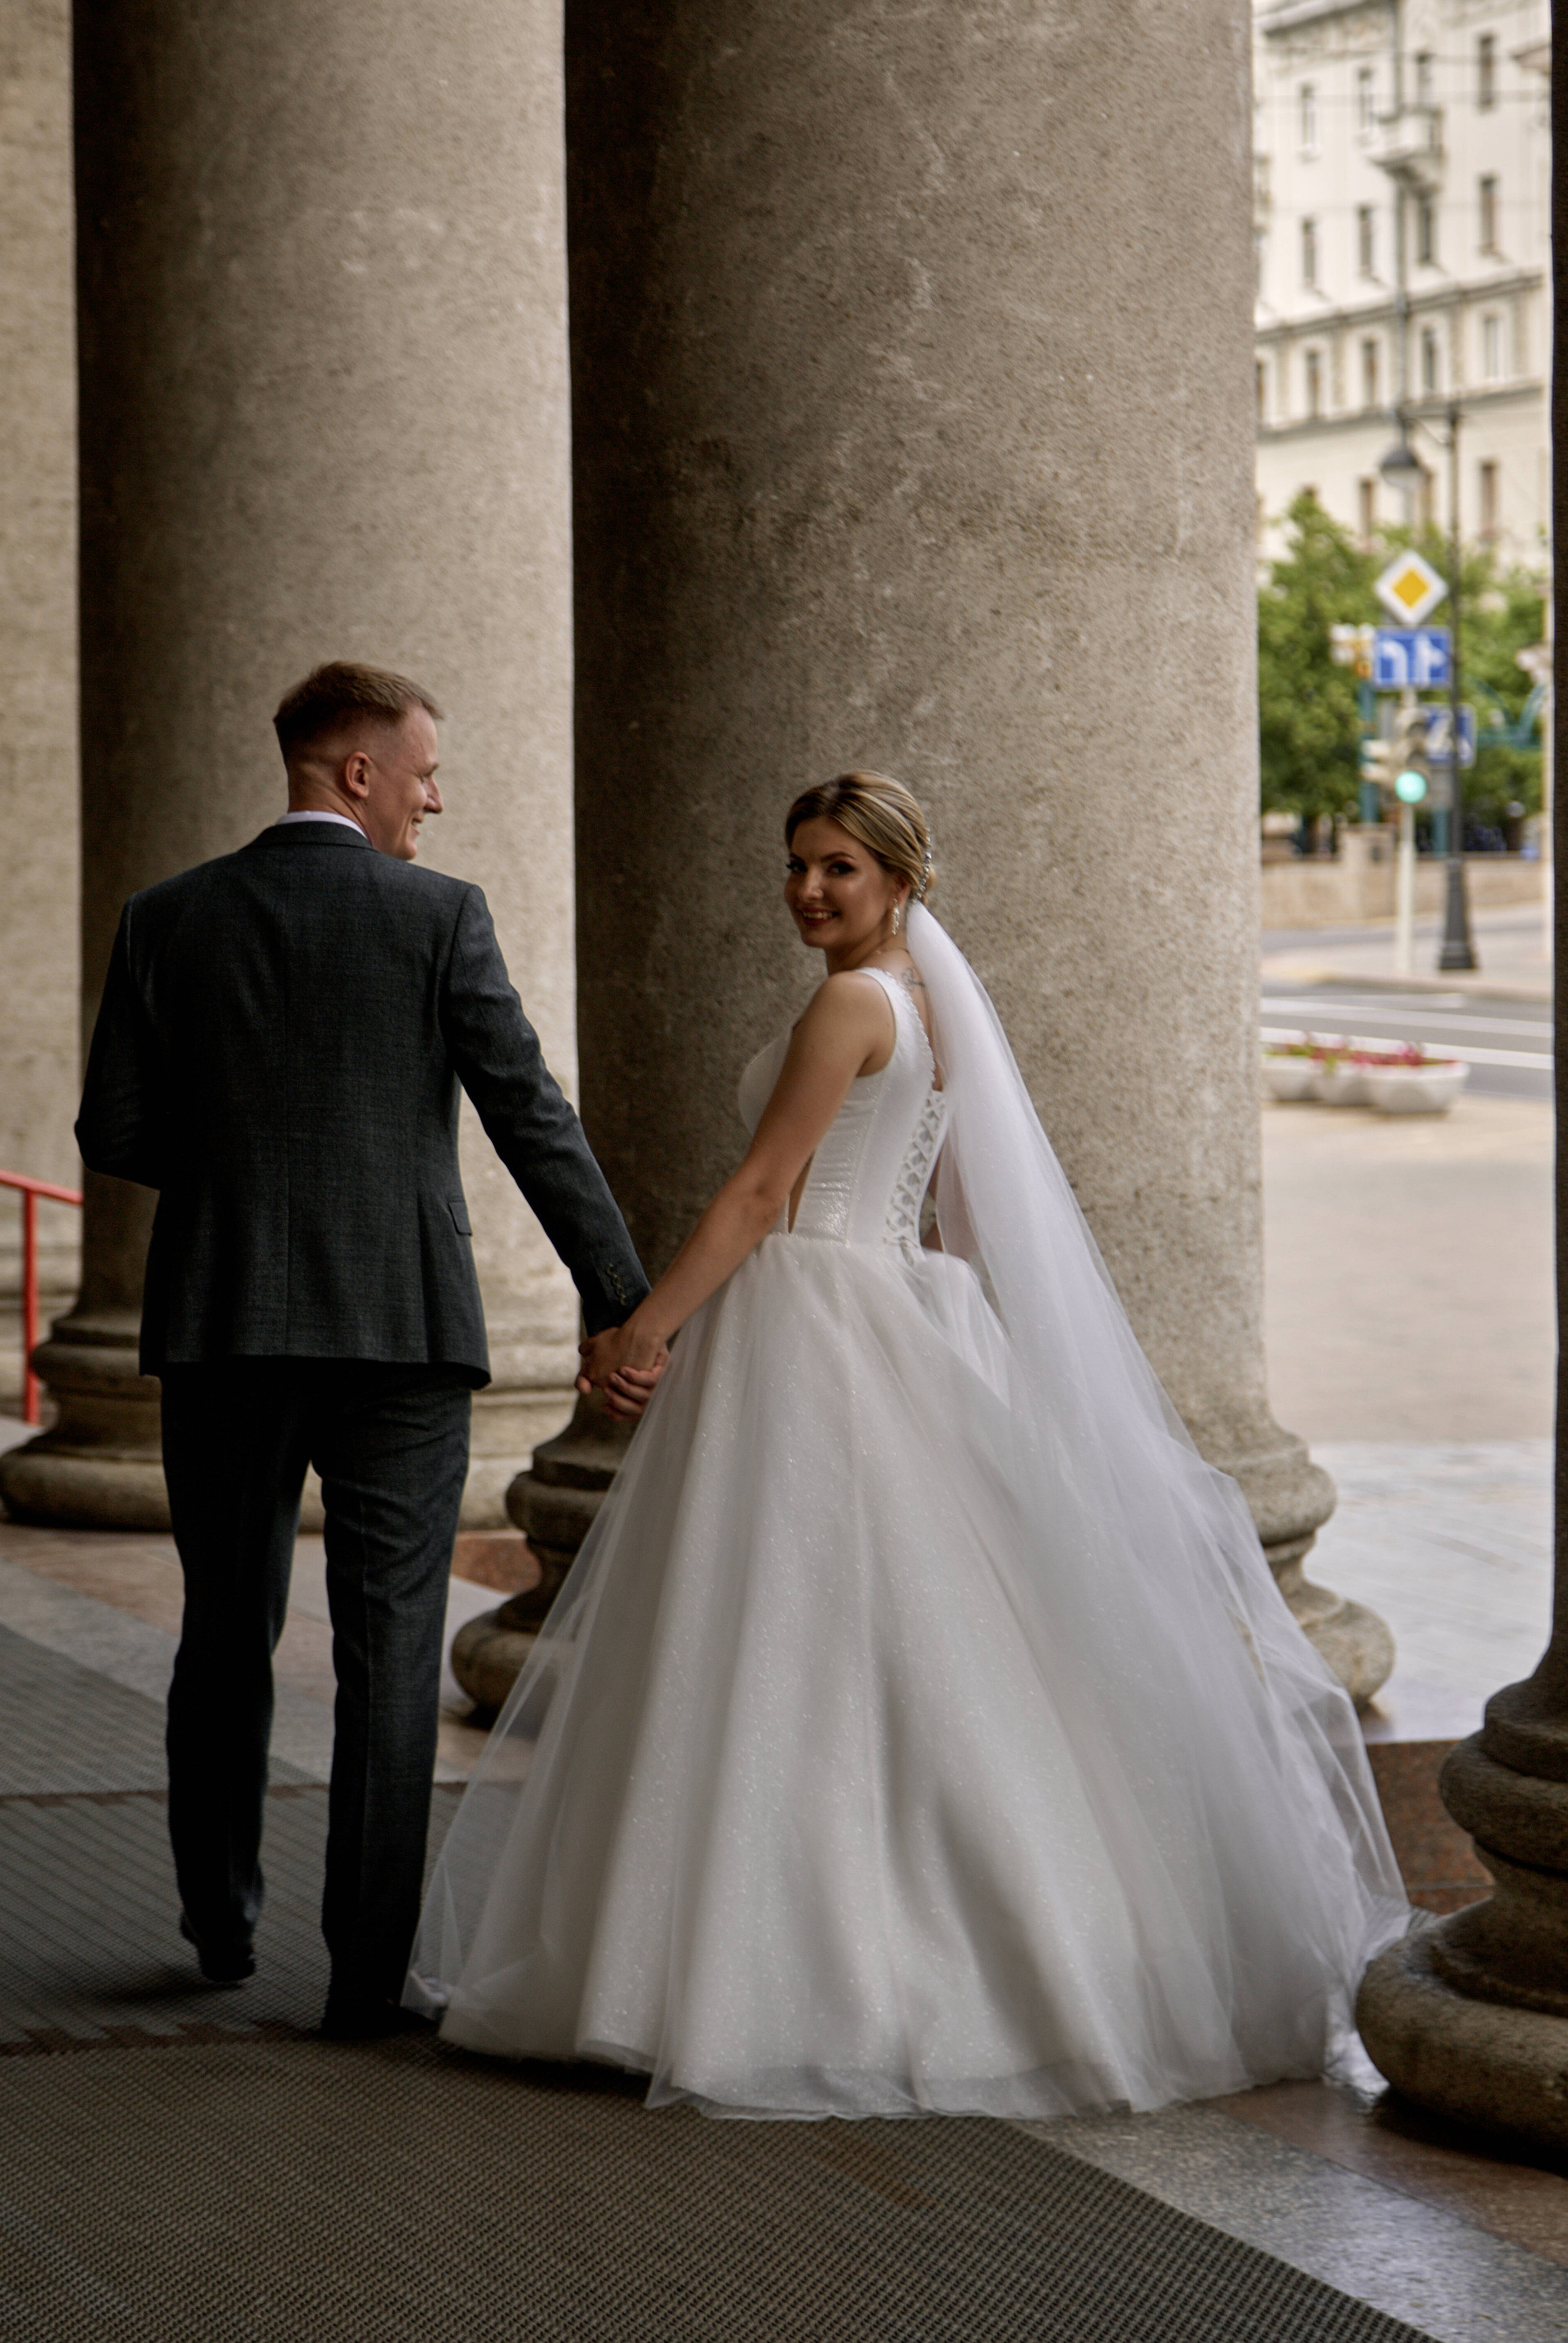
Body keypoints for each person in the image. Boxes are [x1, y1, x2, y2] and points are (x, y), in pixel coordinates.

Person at [409, 769, 1408, 2119]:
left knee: (784, 1644)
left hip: (818, 1320)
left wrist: (638, 1330)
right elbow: (941, 1213)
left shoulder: (849, 1002)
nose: (807, 890)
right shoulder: (930, 1010)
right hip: (881, 1313)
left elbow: (762, 1192)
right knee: (879, 1649)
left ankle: (781, 1976)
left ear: (898, 881)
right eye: (796, 864)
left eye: (838, 869)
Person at [75, 661, 651, 2040]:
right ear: (355, 772)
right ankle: (363, 1975)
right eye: (422, 773)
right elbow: (528, 1112)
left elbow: (115, 1135)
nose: (432, 800)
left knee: (226, 1628)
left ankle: (218, 1918)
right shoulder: (438, 918)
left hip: (221, 1327)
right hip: (400, 1329)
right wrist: (620, 1294)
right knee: (394, 1651)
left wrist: (244, 1178)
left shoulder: (165, 920)